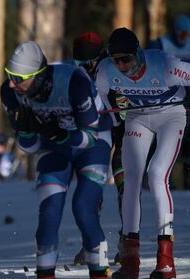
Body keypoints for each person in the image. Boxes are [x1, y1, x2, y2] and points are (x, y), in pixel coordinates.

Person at [1, 41, 112, 279]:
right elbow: (29, 146)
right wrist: (27, 130)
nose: (12, 84)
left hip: (93, 144)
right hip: (55, 148)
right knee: (48, 216)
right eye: (9, 75)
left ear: (38, 75)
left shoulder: (73, 81)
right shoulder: (10, 92)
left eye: (19, 79)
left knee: (83, 208)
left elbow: (89, 136)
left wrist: (59, 134)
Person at [96, 28, 190, 279]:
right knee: (131, 181)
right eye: (116, 59)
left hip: (171, 116)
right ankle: (130, 260)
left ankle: (165, 261)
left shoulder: (165, 66)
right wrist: (117, 118)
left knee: (156, 174)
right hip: (137, 118)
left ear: (138, 54)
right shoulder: (106, 71)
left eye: (126, 59)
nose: (121, 66)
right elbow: (104, 97)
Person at [68, 32, 126, 266]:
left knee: (124, 183)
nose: (83, 68)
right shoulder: (76, 77)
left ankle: (128, 243)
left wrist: (123, 109)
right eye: (78, 64)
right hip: (97, 131)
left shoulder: (114, 69)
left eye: (87, 63)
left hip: (123, 131)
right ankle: (89, 243)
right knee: (92, 185)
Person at [148, 15, 190, 190]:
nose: (183, 37)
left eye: (187, 33)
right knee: (163, 136)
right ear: (174, 31)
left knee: (189, 137)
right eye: (180, 33)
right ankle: (161, 176)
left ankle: (188, 178)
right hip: (168, 96)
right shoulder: (161, 43)